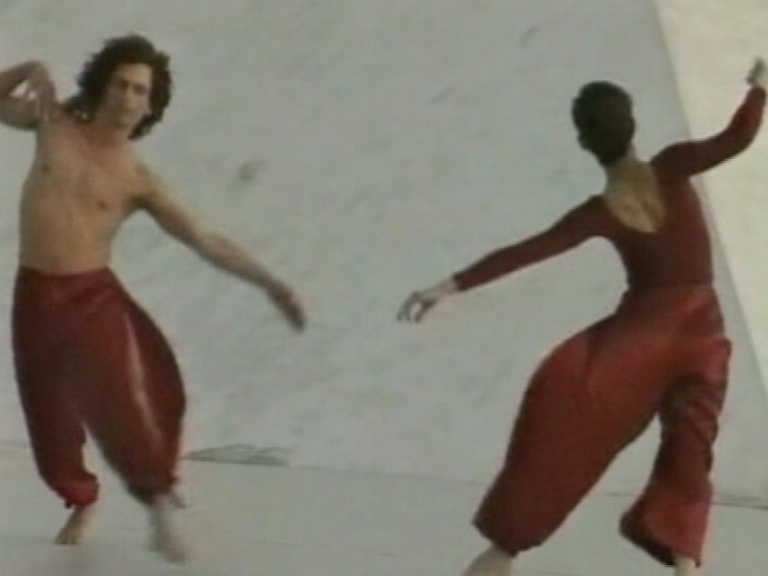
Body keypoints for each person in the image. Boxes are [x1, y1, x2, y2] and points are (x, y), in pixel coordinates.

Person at [398, 57, 767, 576]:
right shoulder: (673, 165)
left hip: (638, 342)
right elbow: (738, 138)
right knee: (688, 464)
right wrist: (759, 86)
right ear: (633, 123)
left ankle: (504, 549)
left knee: (558, 451)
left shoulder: (600, 211)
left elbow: (527, 251)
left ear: (583, 142)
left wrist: (448, 286)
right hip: (702, 338)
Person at [0, 34, 305, 563]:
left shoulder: (136, 179)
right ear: (103, 84)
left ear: (150, 106)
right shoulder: (53, 123)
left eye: (139, 91)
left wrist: (270, 283)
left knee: (118, 400)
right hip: (34, 297)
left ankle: (159, 505)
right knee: (51, 432)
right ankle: (81, 496)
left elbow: (204, 239)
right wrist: (29, 68)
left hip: (90, 298)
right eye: (120, 84)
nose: (127, 97)